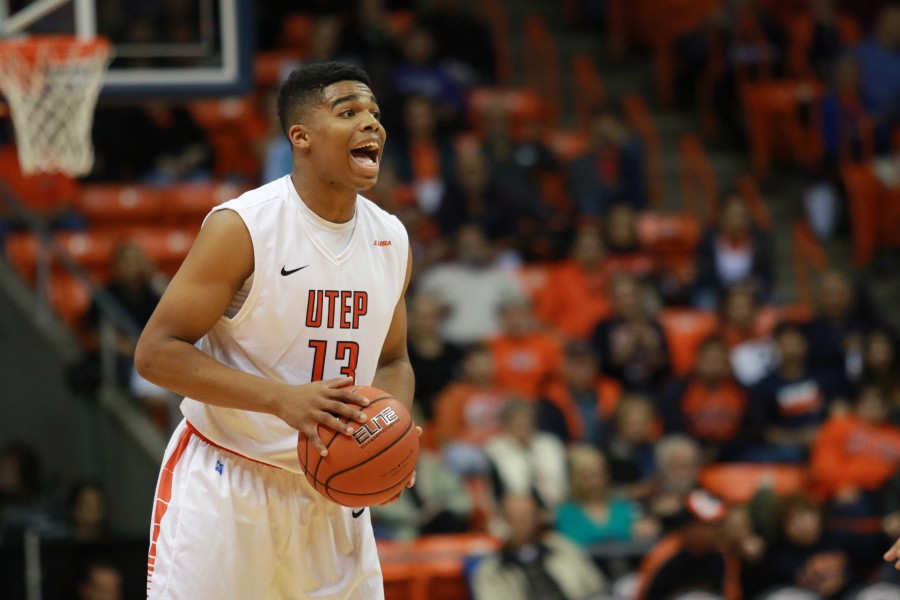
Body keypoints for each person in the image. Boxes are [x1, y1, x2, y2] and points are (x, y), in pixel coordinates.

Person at [134, 62, 414, 599]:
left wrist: (389, 425)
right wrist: (282, 400)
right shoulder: (243, 226)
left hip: (332, 496)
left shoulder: (391, 238)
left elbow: (394, 359)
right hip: (229, 482)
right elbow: (155, 354)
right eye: (349, 112)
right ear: (300, 136)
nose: (371, 125)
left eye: (375, 114)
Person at [471, 493, 608, 600]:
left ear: (537, 517)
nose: (522, 522)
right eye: (516, 517)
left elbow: (596, 586)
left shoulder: (562, 548)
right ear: (504, 520)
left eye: (527, 515)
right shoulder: (492, 571)